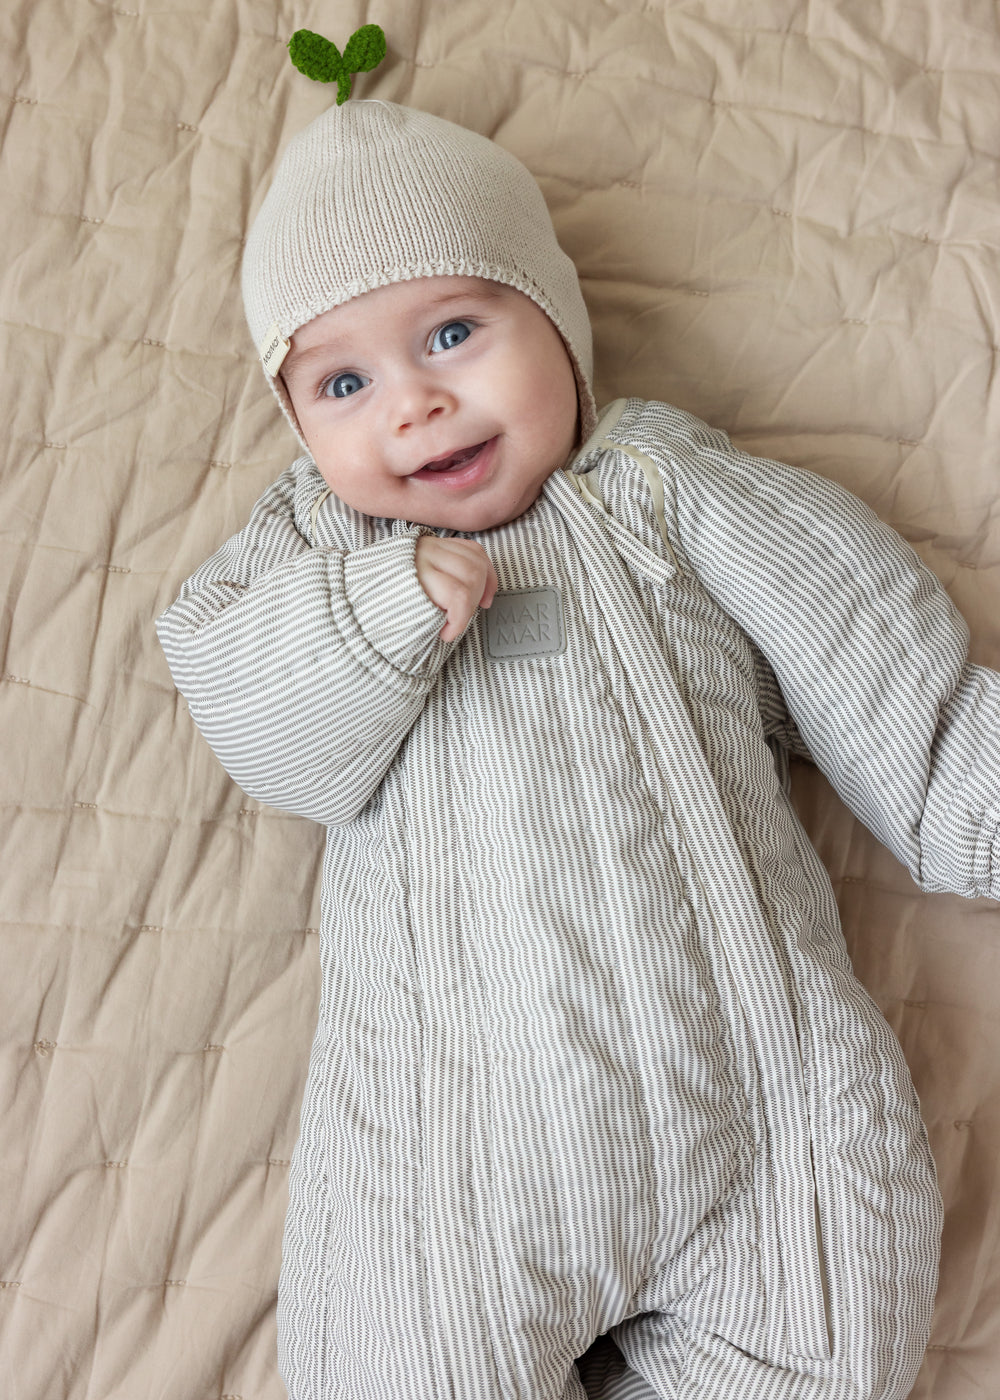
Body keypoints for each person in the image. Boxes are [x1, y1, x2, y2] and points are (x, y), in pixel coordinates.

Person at [156, 98, 999, 1400]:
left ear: (556, 320)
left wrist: (968, 782)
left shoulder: (665, 486)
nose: (416, 403)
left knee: (838, 1321)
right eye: (343, 383)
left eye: (453, 332)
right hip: (452, 1162)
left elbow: (880, 674)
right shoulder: (314, 549)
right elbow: (248, 710)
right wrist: (378, 614)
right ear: (299, 426)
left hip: (764, 1115)